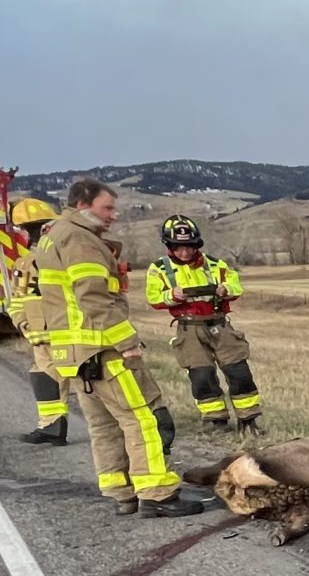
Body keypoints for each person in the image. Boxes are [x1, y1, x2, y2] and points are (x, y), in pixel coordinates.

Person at [34, 178, 206, 517]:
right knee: (142, 418)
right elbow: (95, 298)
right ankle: (157, 494)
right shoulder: (79, 239)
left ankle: (121, 491)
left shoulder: (52, 236)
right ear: (82, 205)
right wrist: (127, 344)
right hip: (102, 349)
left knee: (102, 425)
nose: (114, 215)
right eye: (107, 208)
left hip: (72, 355)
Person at [145, 214, 261, 431]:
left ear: (196, 244)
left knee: (239, 371)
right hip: (189, 329)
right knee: (201, 376)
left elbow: (236, 285)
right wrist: (173, 294)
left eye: (189, 246)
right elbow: (153, 298)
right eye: (178, 247)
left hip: (220, 325)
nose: (185, 252)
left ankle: (248, 420)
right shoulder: (158, 269)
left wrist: (226, 290)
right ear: (169, 246)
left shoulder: (216, 264)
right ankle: (216, 421)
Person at [8, 197, 69, 444]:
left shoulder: (63, 258)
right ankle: (50, 427)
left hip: (69, 333)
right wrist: (23, 325)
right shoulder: (23, 264)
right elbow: (17, 300)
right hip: (40, 336)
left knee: (91, 385)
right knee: (45, 378)